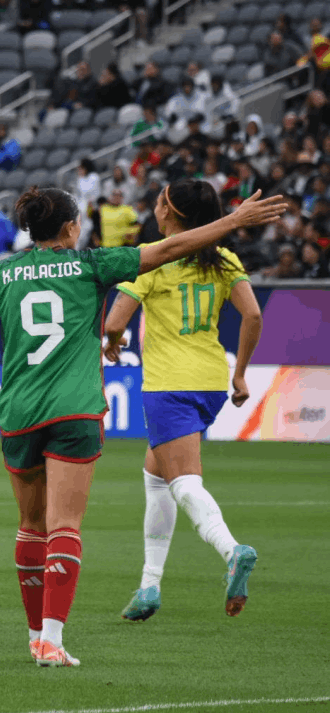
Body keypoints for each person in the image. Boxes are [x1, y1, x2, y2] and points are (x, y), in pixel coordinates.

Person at [0, 186, 285, 666]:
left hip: (19, 412)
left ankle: (33, 636)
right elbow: (170, 248)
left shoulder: (1, 273)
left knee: (30, 527)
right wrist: (234, 220)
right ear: (71, 227)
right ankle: (51, 639)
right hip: (76, 410)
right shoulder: (93, 265)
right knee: (65, 525)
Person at [104, 179, 263, 622]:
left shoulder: (154, 259)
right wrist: (241, 372)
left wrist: (113, 341)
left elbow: (116, 319)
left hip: (168, 383)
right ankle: (149, 586)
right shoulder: (224, 258)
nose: (154, 208)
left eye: (158, 202)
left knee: (182, 482)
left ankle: (232, 550)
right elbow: (252, 314)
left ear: (170, 214)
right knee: (155, 477)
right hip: (211, 380)